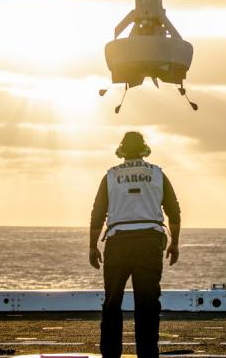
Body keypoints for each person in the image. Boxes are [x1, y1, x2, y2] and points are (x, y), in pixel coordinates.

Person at [89, 131, 181, 358]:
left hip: (118, 242)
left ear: (121, 151)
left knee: (112, 301)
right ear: (144, 149)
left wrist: (92, 246)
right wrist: (175, 243)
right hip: (149, 242)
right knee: (147, 302)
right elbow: (174, 212)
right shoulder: (158, 174)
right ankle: (148, 353)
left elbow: (98, 214)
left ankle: (110, 354)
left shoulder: (110, 176)